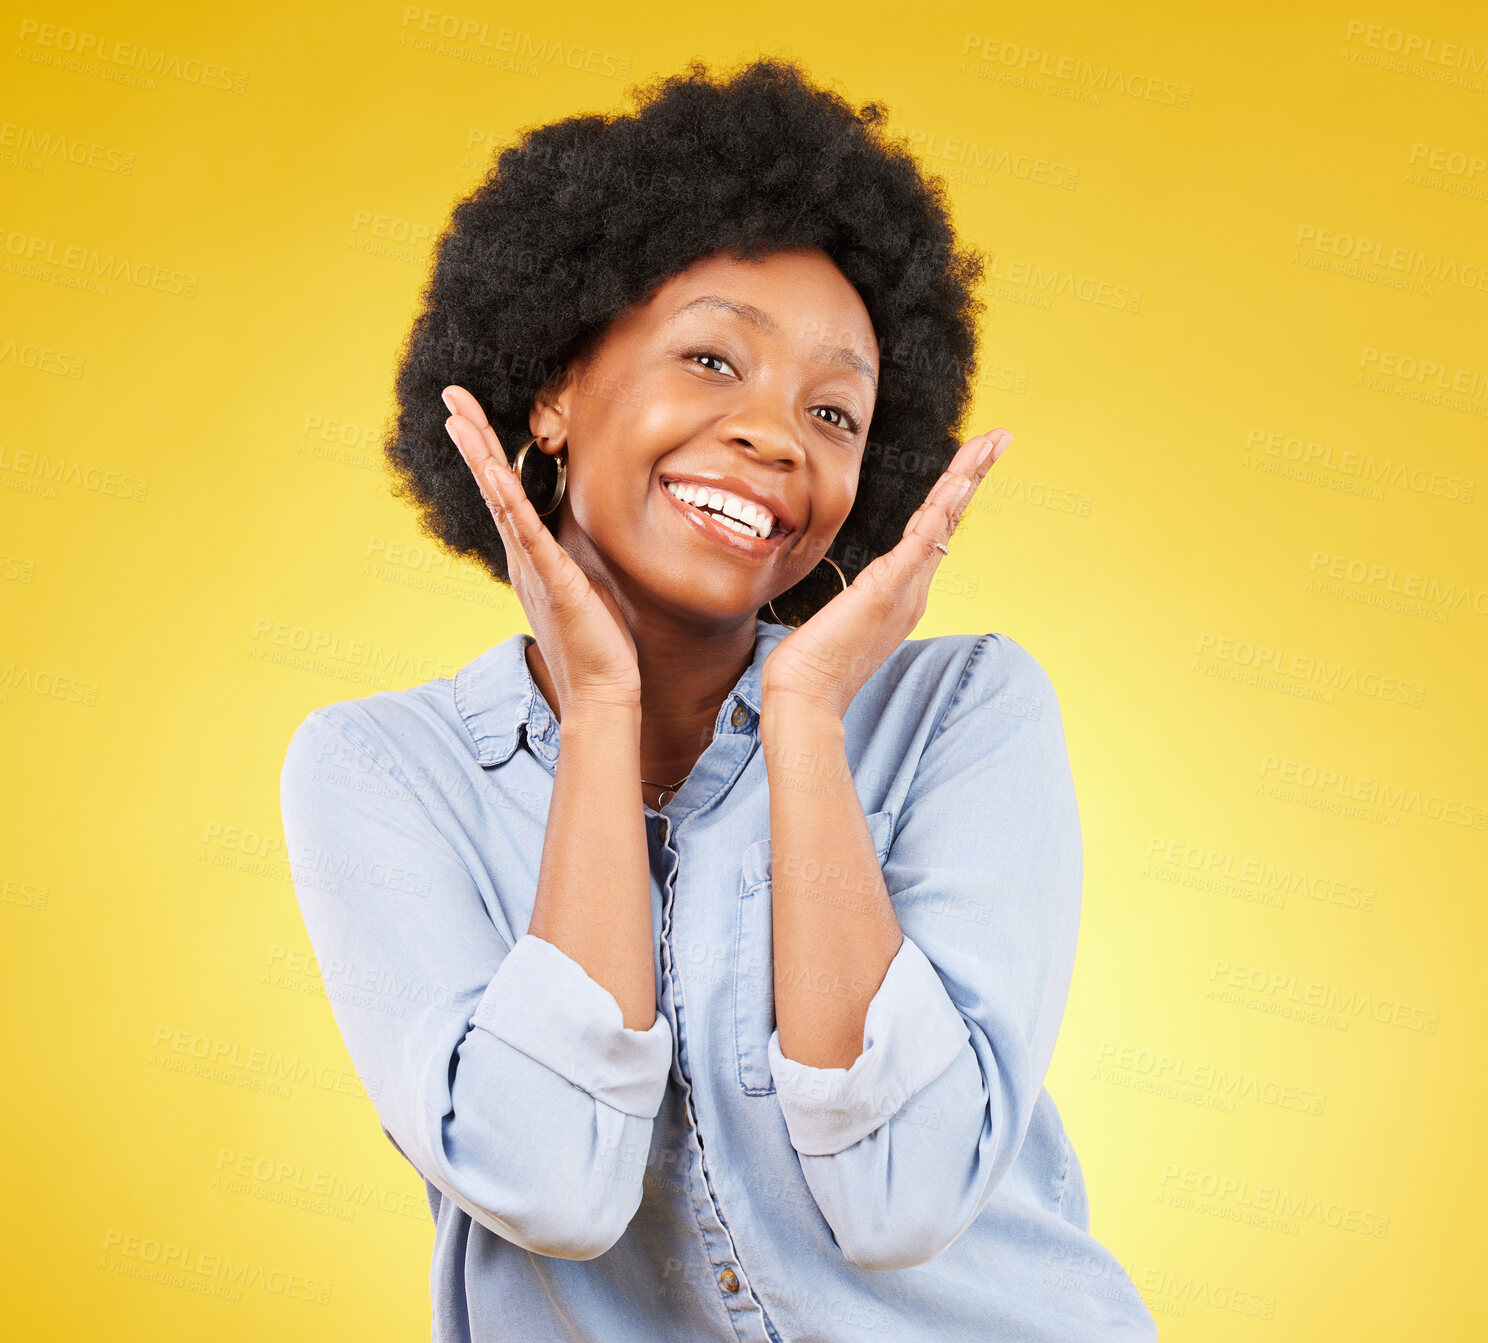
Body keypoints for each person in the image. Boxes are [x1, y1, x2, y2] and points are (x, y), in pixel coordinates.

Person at [281, 56, 1157, 1341]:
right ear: (555, 389)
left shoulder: (965, 710)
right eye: (711, 358)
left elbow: (905, 1197)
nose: (778, 437)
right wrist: (598, 710)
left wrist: (803, 719)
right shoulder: (380, 769)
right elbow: (548, 1185)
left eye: (836, 412)